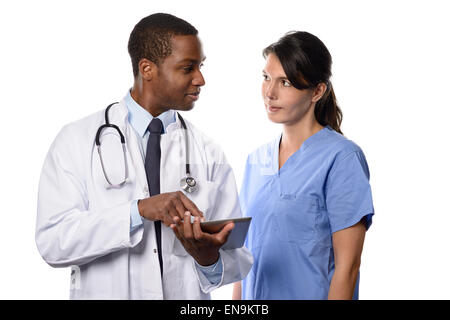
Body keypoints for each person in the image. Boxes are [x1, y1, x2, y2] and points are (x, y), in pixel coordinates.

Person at [35, 13, 252, 300]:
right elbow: (53, 241)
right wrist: (137, 211)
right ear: (147, 69)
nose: (200, 79)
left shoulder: (208, 151)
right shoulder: (76, 140)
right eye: (188, 68)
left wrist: (208, 258)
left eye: (201, 66)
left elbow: (237, 258)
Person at [233, 31, 374, 300]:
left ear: (317, 91)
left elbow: (348, 268)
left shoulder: (341, 159)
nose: (270, 93)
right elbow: (244, 256)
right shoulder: (255, 160)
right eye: (266, 78)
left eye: (285, 82)